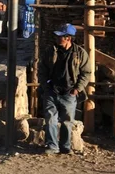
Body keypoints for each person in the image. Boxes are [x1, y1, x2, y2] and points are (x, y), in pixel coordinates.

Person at [39, 23, 91, 155]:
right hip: (51, 90)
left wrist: (77, 89)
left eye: (60, 36)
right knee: (50, 118)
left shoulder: (80, 53)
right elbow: (42, 69)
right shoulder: (50, 51)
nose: (57, 38)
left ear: (68, 38)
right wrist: (45, 85)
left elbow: (86, 73)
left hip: (69, 92)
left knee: (67, 121)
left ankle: (65, 146)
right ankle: (52, 146)